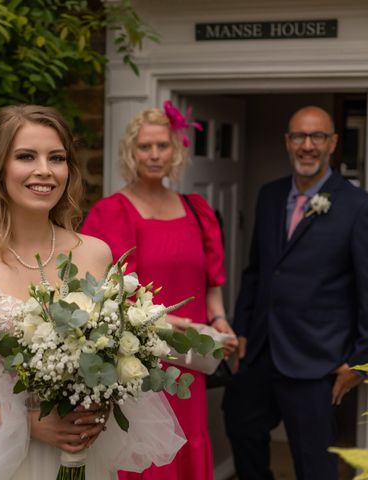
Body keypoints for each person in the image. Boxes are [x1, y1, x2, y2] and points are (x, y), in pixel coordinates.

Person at [0, 105, 186, 480]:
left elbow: (108, 360)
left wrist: (100, 403)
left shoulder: (95, 253)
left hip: (83, 457)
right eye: (26, 157)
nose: (45, 170)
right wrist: (29, 424)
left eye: (57, 158)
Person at [223, 105, 368, 480]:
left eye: (317, 136)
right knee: (240, 423)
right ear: (288, 141)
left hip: (317, 360)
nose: (307, 145)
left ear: (332, 143)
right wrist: (245, 329)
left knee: (313, 462)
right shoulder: (269, 196)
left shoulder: (361, 208)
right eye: (299, 136)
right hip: (263, 351)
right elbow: (257, 272)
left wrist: (361, 361)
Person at [82, 103, 238, 480]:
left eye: (162, 146)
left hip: (190, 356)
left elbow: (211, 283)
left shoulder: (197, 209)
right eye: (145, 147)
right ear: (130, 153)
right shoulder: (111, 212)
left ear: (177, 151)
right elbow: (106, 294)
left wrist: (220, 321)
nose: (154, 155)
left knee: (188, 439)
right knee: (144, 448)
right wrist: (162, 321)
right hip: (138, 359)